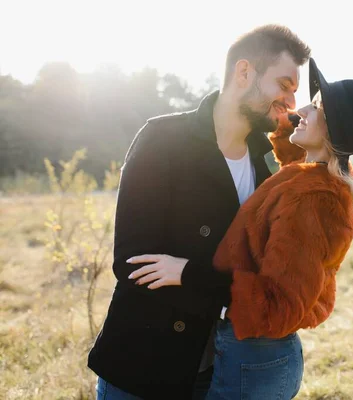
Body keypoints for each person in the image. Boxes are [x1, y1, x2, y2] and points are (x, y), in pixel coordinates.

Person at [130, 57, 353, 399]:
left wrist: (188, 274)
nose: (302, 110)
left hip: (254, 359)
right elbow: (289, 179)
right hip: (257, 356)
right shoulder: (319, 177)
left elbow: (278, 306)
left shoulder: (315, 200)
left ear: (333, 128)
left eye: (317, 108)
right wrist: (278, 122)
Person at [87, 24, 311, 400]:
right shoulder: (163, 140)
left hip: (215, 368)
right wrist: (227, 294)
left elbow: (262, 276)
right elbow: (132, 263)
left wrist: (188, 275)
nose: (290, 101)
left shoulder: (263, 164)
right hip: (143, 368)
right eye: (284, 85)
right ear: (244, 73)